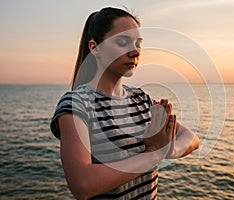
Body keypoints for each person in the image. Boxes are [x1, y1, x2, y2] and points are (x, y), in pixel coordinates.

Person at [50, 7, 199, 200]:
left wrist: (165, 149)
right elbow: (83, 185)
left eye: (138, 43)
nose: (135, 51)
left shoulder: (141, 99)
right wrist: (153, 154)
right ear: (95, 47)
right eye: (122, 42)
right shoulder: (76, 104)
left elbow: (191, 139)